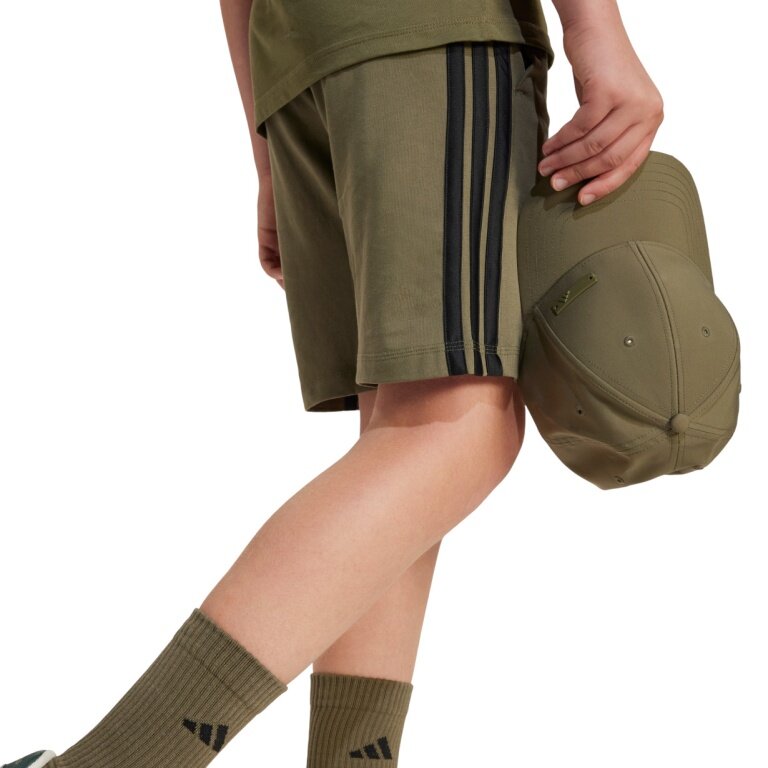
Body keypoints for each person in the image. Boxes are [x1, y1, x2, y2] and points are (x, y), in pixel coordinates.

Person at [3, 0, 663, 767]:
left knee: (407, 434)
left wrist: (266, 150)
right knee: (457, 429)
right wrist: (594, 26)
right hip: (435, 30)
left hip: (297, 63)